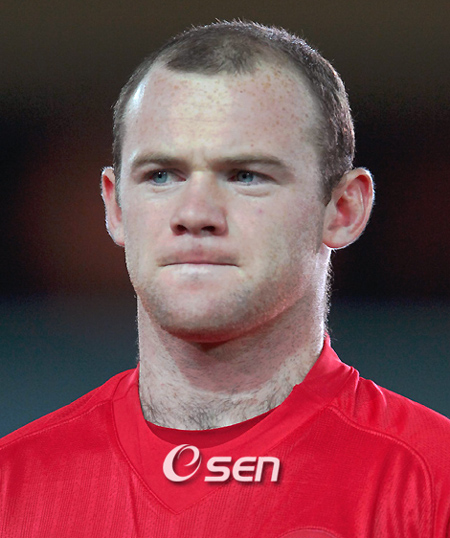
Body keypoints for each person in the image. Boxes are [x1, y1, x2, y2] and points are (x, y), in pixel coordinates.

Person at [1, 20, 449, 538]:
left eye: (245, 175)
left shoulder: (431, 484)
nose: (195, 214)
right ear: (115, 207)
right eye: (161, 175)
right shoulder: (13, 486)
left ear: (344, 209)